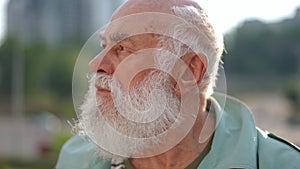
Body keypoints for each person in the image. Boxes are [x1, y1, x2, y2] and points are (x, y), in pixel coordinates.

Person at [55, 0, 300, 168]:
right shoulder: (75, 158)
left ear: (189, 71)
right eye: (103, 46)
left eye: (122, 48)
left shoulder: (283, 164)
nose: (96, 63)